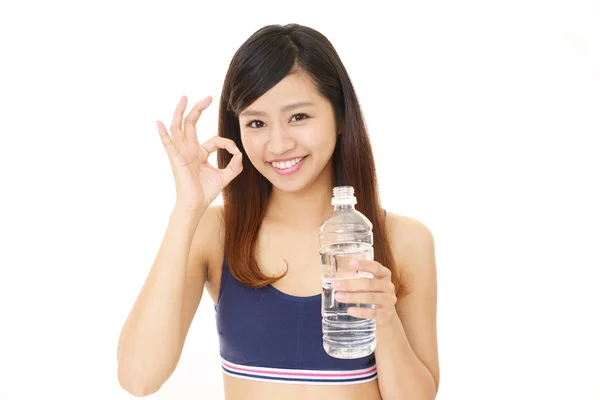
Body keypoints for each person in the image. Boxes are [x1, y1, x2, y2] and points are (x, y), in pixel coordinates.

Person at [117, 23, 440, 400]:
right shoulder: (217, 232)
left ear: (339, 117)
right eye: (256, 123)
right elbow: (138, 378)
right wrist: (188, 208)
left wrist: (384, 319)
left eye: (299, 117)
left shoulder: (404, 240)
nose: (279, 143)